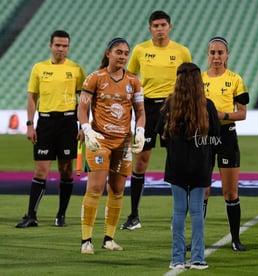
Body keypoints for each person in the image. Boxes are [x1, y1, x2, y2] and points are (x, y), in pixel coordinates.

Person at [120, 10, 192, 230]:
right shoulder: (141, 50)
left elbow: (189, 81)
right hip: (148, 108)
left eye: (163, 25)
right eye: (155, 25)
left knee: (176, 161)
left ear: (170, 27)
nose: (160, 29)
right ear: (150, 28)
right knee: (141, 160)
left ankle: (177, 215)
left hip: (174, 107)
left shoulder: (181, 51)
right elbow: (129, 79)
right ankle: (134, 216)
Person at [77, 37, 145, 254]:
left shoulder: (134, 81)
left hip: (123, 142)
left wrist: (140, 131)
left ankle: (109, 238)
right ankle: (86, 241)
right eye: (119, 52)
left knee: (117, 190)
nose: (123, 56)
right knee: (95, 188)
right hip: (100, 141)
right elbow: (82, 108)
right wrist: (87, 129)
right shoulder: (94, 78)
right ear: (108, 53)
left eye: (126, 53)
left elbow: (140, 112)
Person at [16, 30, 86, 228]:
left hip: (68, 122)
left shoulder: (76, 69)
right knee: (41, 171)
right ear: (50, 46)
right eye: (57, 45)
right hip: (45, 122)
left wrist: (83, 125)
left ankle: (61, 215)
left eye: (64, 46)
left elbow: (84, 100)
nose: (61, 49)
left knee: (66, 170)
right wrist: (30, 124)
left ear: (68, 47)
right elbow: (32, 97)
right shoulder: (39, 68)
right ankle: (31, 215)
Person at [156, 62, 220, 270]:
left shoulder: (169, 105)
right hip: (200, 166)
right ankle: (198, 258)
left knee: (178, 211)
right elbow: (216, 137)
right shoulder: (207, 105)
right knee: (196, 212)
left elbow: (161, 136)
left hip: (176, 166)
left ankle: (177, 258)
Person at [201, 37, 249, 251]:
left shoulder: (235, 79)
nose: (216, 57)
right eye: (213, 52)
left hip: (227, 135)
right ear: (208, 55)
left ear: (227, 54)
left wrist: (223, 114)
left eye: (220, 52)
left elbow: (243, 114)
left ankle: (236, 239)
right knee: (202, 191)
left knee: (230, 192)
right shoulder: (199, 80)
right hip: (204, 137)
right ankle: (197, 240)